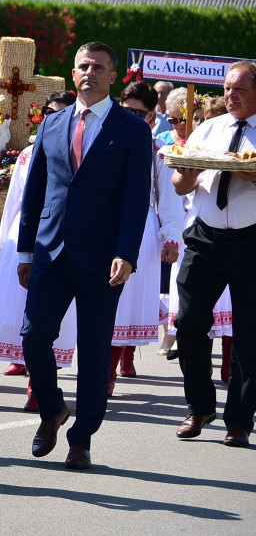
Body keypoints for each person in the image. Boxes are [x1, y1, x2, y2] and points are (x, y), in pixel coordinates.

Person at [17, 41, 152, 471]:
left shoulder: (132, 130)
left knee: (93, 352)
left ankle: (81, 439)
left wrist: (126, 253)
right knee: (34, 335)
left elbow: (135, 199)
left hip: (102, 260)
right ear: (73, 74)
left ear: (113, 76)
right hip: (50, 252)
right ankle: (52, 410)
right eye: (83, 66)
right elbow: (34, 190)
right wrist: (25, 249)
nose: (89, 73)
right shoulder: (52, 124)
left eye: (98, 67)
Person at [170, 60, 256, 448]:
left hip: (251, 240)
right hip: (204, 238)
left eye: (238, 88)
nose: (229, 95)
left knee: (250, 335)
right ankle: (200, 406)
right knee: (188, 323)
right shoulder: (209, 128)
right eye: (226, 88)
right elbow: (179, 182)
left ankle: (239, 420)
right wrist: (185, 175)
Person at [0, 91, 76, 411]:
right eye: (50, 112)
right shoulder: (26, 154)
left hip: (61, 240)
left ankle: (38, 385)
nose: (54, 118)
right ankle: (28, 367)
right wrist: (4, 244)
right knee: (21, 312)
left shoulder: (77, 152)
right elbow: (17, 202)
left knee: (49, 317)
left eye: (62, 113)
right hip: (24, 237)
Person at [108, 81, 183, 394]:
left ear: (153, 116)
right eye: (127, 112)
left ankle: (115, 365)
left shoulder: (160, 153)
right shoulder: (105, 141)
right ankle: (108, 366)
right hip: (106, 227)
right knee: (106, 300)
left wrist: (170, 238)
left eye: (140, 114)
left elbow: (169, 202)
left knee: (130, 301)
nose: (133, 118)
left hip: (142, 230)